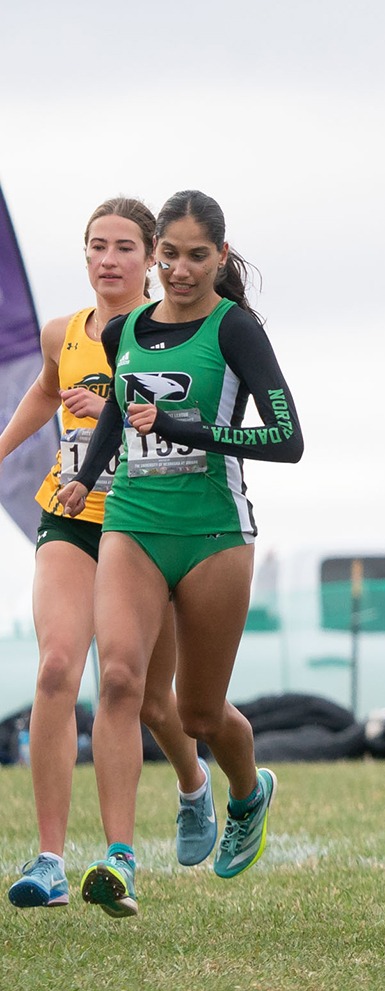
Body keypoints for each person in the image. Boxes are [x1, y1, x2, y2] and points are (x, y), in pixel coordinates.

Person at [56, 191, 303, 916]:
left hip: (214, 534)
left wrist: (185, 428)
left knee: (196, 712)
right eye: (171, 255)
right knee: (125, 682)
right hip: (130, 523)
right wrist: (86, 477)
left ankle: (248, 791)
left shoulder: (236, 330)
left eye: (198, 256)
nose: (182, 270)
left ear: (221, 258)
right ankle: (121, 859)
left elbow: (286, 439)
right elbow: (120, 423)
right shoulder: (126, 327)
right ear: (156, 254)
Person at [0, 198, 216, 909]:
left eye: (125, 246)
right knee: (59, 666)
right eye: (98, 245)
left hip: (150, 520)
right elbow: (42, 393)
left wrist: (117, 409)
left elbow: (196, 419)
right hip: (70, 514)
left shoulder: (171, 333)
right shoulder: (64, 331)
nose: (109, 259)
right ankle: (52, 860)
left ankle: (190, 788)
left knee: (142, 694)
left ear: (152, 257)